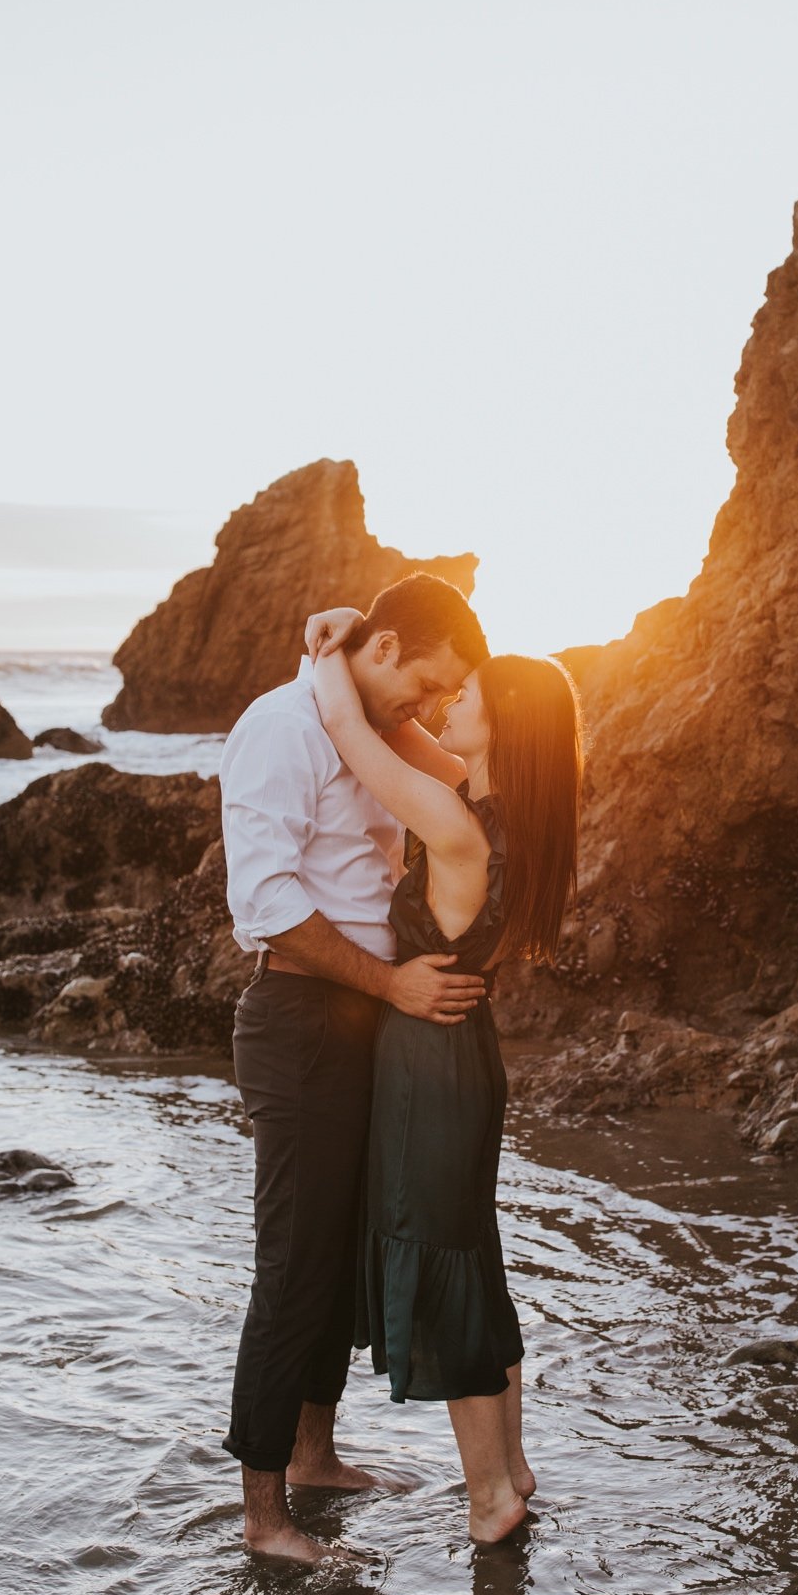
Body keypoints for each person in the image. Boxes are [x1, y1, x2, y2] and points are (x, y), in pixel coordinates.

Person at [220, 572, 490, 1566]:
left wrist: (336, 660)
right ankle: (263, 1517)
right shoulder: (281, 728)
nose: (429, 705)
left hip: (362, 1018)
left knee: (340, 1257)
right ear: (382, 652)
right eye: (424, 682)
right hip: (299, 1020)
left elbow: (454, 776)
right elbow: (269, 903)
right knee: (293, 1264)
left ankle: (316, 1454)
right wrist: (389, 988)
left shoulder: (361, 726)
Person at [306, 606, 582, 1545]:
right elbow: (400, 732)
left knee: (449, 1264)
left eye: (473, 696)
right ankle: (510, 1466)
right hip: (468, 1055)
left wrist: (329, 651)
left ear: (508, 726)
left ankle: (489, 1497)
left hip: (432, 1060)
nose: (451, 701)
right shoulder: (492, 813)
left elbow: (352, 730)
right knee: (472, 1256)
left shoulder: (458, 828)